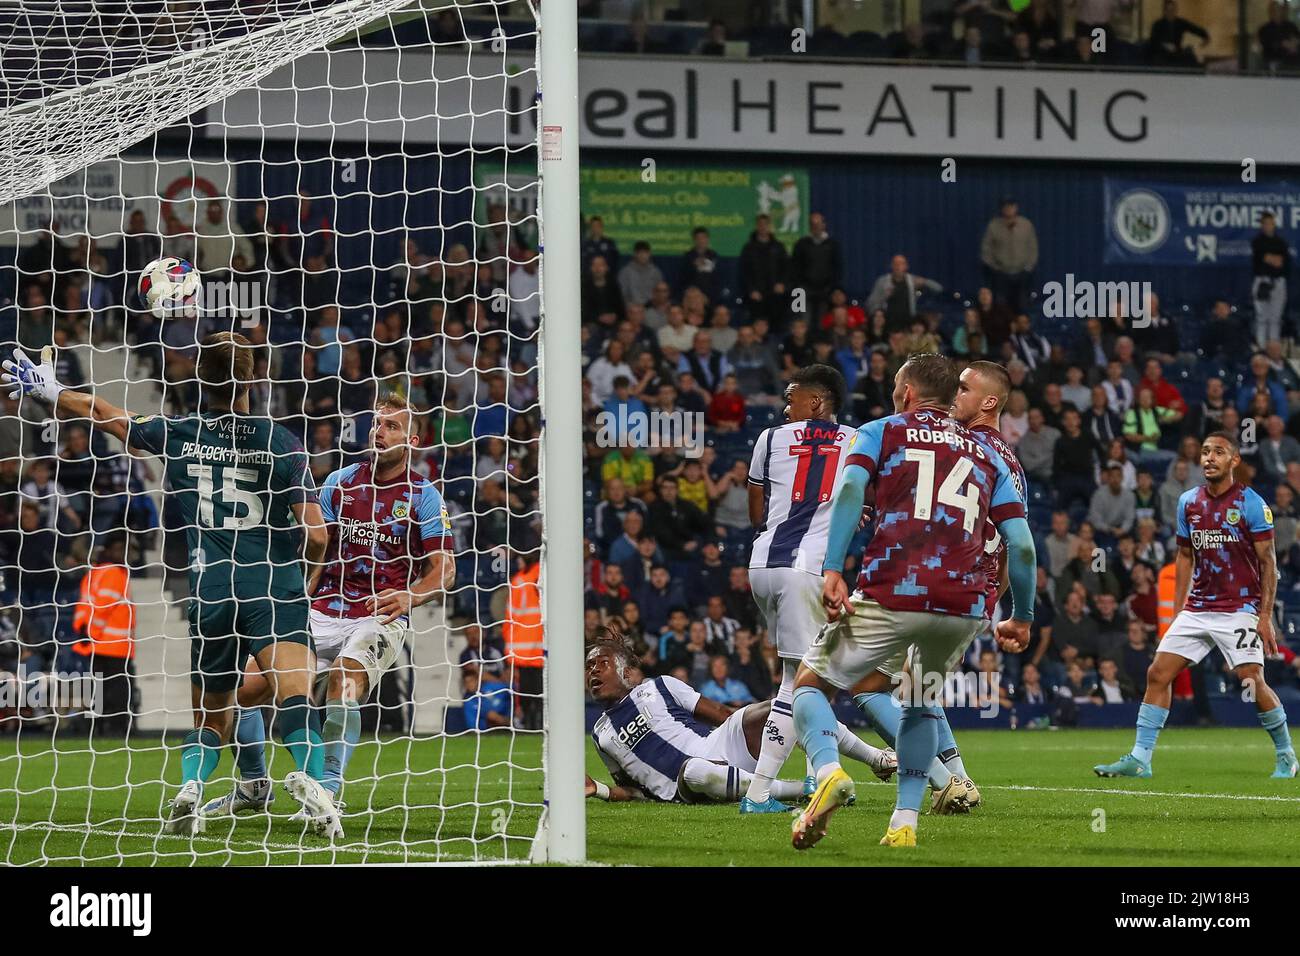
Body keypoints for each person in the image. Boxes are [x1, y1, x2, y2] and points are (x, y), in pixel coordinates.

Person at [2, 336, 340, 837]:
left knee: (212, 713)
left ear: (200, 379)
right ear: (253, 379)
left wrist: (49, 391)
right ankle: (315, 785)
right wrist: (307, 572)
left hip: (208, 590)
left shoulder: (178, 433)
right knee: (292, 694)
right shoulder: (281, 441)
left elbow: (101, 410)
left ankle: (190, 790)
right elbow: (316, 533)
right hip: (271, 583)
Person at [791, 353, 1036, 849]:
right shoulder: (992, 455)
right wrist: (1022, 616)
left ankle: (829, 773)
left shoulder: (882, 429)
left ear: (905, 393)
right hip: (966, 604)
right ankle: (904, 824)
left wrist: (834, 568)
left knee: (811, 683)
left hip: (895, 589)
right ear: (949, 399)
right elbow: (1025, 545)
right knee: (921, 704)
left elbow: (850, 491)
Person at [202, 395, 456, 815]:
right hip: (321, 610)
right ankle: (253, 786)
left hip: (377, 615)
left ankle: (326, 791)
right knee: (241, 689)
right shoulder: (339, 482)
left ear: (412, 440)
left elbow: (444, 569)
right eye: (376, 424)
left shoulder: (424, 496)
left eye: (391, 427)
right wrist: (297, 595)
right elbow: (315, 546)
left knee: (344, 682)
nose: (379, 432)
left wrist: (410, 595)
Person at [1094, 432, 1297, 780]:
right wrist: (1176, 614)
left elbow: (1269, 563)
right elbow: (1184, 557)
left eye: (1218, 452)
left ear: (1234, 460)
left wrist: (1264, 616)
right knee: (1157, 673)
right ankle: (1141, 758)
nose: (1209, 458)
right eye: (1204, 452)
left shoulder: (1251, 504)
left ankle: (1286, 755)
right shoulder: (1188, 502)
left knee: (1251, 679)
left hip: (1239, 608)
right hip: (1198, 607)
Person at [583, 637, 895, 805]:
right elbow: (636, 791)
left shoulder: (660, 686)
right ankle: (803, 790)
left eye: (602, 663)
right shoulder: (601, 734)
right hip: (686, 785)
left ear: (623, 670)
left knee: (787, 706)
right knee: (694, 770)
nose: (593, 671)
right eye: (589, 666)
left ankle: (876, 758)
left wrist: (768, 731)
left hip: (717, 744)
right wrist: (597, 788)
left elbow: (722, 715)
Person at [1252, 212, 1290, 345]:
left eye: (1271, 223)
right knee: (1262, 317)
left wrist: (1272, 259)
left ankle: (1274, 347)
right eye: (1266, 223)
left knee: (1275, 319)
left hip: (1278, 282)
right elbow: (1266, 258)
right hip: (1262, 281)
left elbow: (1283, 262)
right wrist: (1273, 259)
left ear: (1274, 224)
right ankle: (1262, 347)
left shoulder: (1281, 243)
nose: (1268, 226)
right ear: (1262, 225)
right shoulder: (1257, 241)